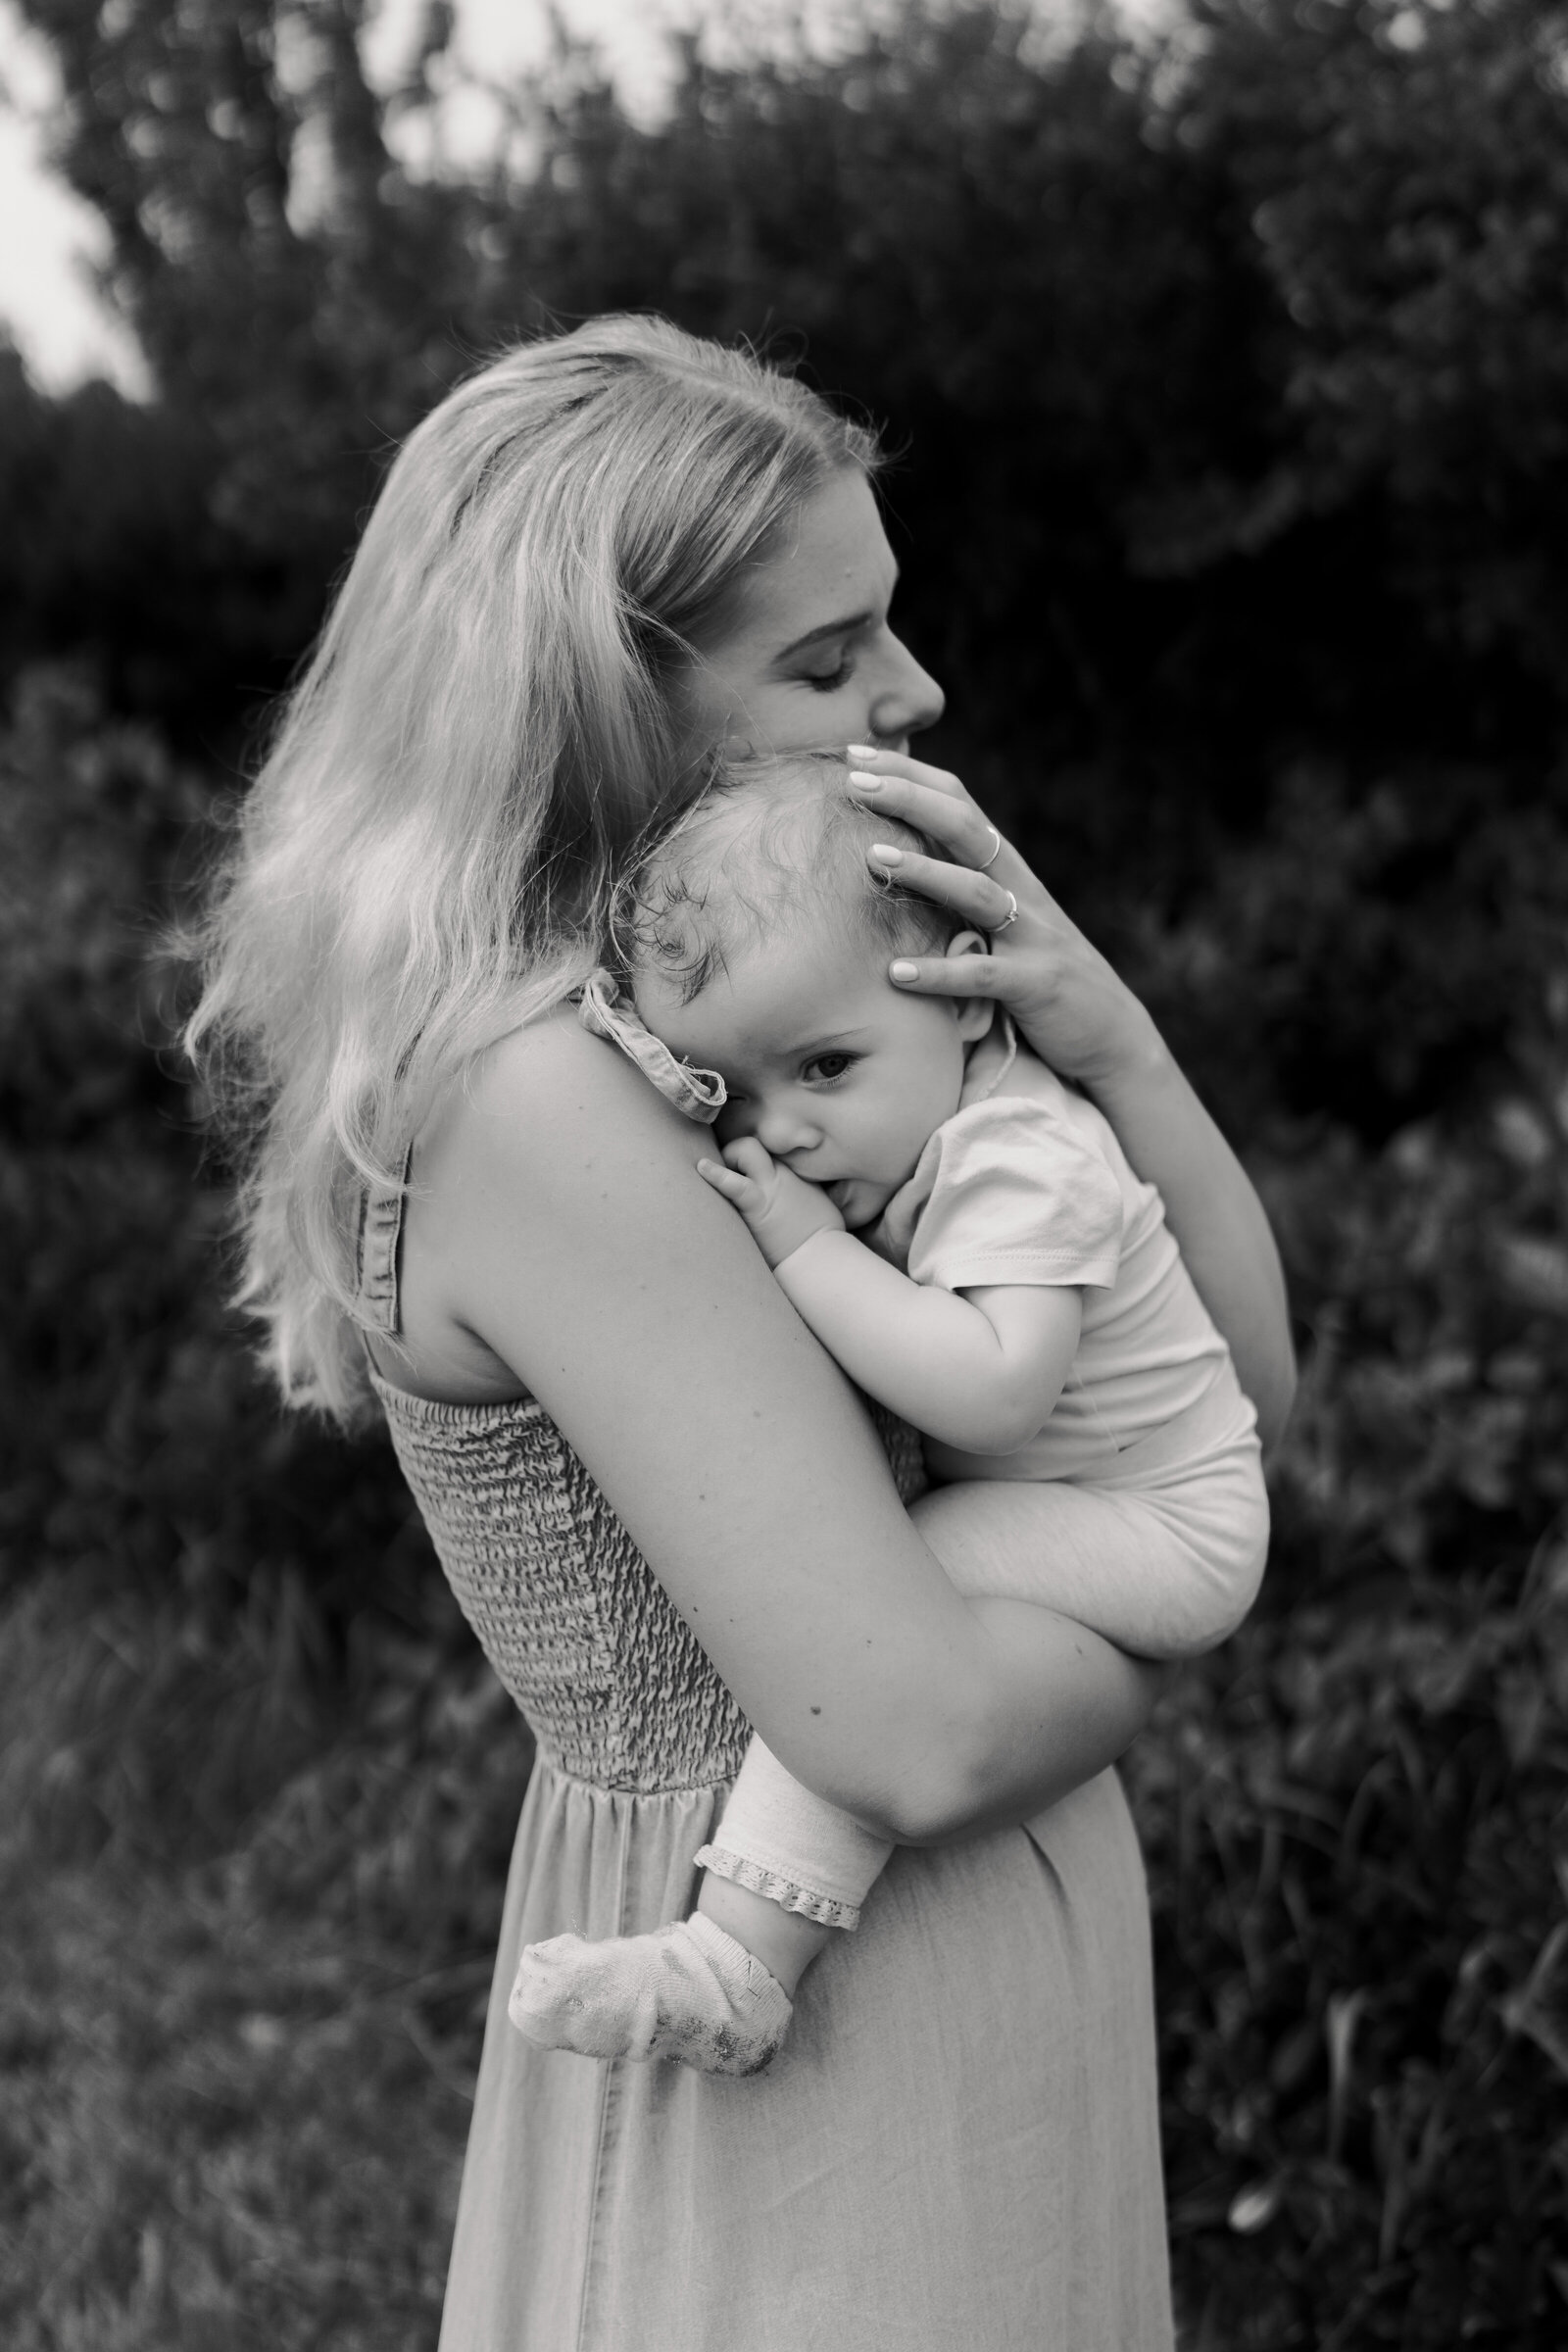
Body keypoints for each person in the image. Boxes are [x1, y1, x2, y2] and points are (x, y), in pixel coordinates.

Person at [187, 315, 1295, 2351]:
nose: (911, 689)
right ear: (595, 714)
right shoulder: (542, 1099)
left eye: (886, 625)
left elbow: (1233, 1396)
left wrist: (1108, 1041)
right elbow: (917, 1730)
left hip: (945, 1905)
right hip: (795, 1996)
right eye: (820, 659)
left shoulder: (798, 1029)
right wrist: (1172, 1632)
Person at [508, 758, 1270, 2077]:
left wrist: (809, 1257)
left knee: (885, 1607)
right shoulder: (917, 1132)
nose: (785, 1131)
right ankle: (737, 1957)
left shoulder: (1019, 1154)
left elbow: (997, 1385)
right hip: (1092, 1503)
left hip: (1168, 1523)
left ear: (969, 999)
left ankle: (739, 1962)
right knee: (898, 1589)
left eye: (824, 1064)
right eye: (735, 1095)